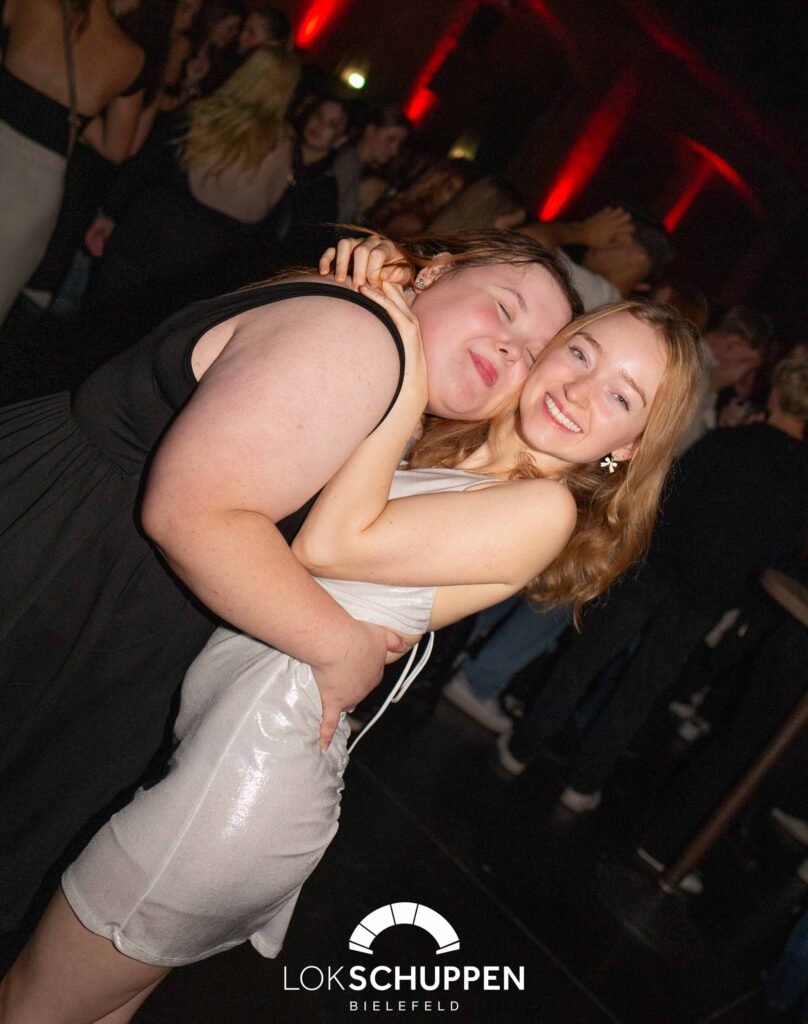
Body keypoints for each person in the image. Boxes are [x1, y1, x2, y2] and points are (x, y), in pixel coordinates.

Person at [0, 283, 701, 1022]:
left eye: (621, 398)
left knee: (28, 1005)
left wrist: (403, 376)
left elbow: (328, 543)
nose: (581, 391)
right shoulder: (463, 456)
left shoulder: (544, 508)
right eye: (582, 354)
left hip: (245, 777)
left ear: (629, 447)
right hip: (228, 755)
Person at [0, 230, 580, 934]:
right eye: (505, 309)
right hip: (65, 577)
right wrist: (343, 648)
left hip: (88, 581)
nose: (512, 349)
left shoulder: (386, 360)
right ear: (436, 274)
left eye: (534, 356)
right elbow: (195, 514)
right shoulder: (360, 340)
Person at [498, 356, 808, 810]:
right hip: (708, 595)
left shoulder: (731, 440)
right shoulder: (801, 481)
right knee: (641, 692)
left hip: (653, 565)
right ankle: (583, 783)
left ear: (776, 394)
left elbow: (670, 492)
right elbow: (781, 553)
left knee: (584, 658)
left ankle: (522, 747)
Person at [82, 46, 300, 345]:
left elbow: (146, 166)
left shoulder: (206, 114)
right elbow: (272, 222)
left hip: (154, 236)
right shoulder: (287, 146)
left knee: (100, 328)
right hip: (207, 265)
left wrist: (109, 213)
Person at [0, 0, 147, 324]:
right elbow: (115, 148)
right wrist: (71, 111)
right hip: (37, 186)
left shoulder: (33, 4)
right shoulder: (130, 57)